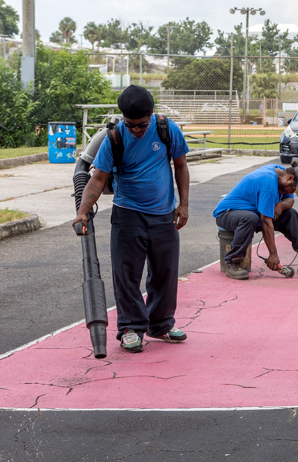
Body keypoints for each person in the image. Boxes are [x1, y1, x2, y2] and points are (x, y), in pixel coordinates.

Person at [72, 85, 191, 353]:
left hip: (163, 213)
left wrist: (183, 205)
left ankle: (160, 325)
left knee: (165, 272)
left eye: (141, 125)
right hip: (127, 214)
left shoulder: (166, 129)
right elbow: (98, 177)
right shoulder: (114, 137)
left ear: (151, 114)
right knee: (126, 274)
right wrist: (82, 211)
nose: (136, 130)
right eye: (131, 125)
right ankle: (130, 327)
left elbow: (181, 165)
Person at [213, 160, 298, 280]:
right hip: (228, 214)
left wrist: (280, 205)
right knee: (250, 218)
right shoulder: (268, 183)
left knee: (290, 214)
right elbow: (265, 221)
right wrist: (273, 255)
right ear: (290, 178)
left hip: (254, 213)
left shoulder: (282, 174)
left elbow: (290, 201)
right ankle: (233, 262)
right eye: (294, 189)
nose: (293, 192)